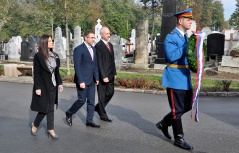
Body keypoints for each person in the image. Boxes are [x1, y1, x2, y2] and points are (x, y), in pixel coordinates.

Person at [155, 8, 194, 150]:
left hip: (185, 77)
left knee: (187, 106)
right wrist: (187, 46)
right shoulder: (171, 36)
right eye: (188, 19)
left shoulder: (185, 37)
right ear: (180, 20)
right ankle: (179, 138)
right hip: (175, 77)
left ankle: (164, 123)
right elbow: (171, 56)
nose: (191, 21)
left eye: (191, 19)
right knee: (177, 109)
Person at [30, 34, 63, 139]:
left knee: (51, 108)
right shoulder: (38, 56)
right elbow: (37, 73)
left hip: (53, 85)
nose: (52, 42)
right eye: (49, 41)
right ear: (44, 42)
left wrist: (60, 83)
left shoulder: (55, 55)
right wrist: (37, 88)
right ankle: (35, 124)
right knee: (44, 108)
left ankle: (50, 128)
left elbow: (56, 72)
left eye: (52, 40)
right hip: (43, 86)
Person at [65, 30, 100, 128]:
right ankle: (69, 113)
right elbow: (77, 66)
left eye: (94, 37)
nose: (93, 39)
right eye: (91, 37)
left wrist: (97, 77)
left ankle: (89, 121)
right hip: (83, 80)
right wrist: (80, 81)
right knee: (81, 100)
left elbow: (95, 65)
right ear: (85, 38)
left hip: (92, 80)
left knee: (91, 101)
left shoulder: (94, 49)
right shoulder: (79, 49)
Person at [94, 27, 116, 122]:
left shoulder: (110, 45)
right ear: (101, 35)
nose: (108, 35)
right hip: (103, 76)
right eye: (106, 33)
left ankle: (99, 107)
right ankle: (103, 114)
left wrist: (114, 72)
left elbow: (112, 61)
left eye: (109, 33)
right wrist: (103, 76)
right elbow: (98, 62)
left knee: (111, 92)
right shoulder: (98, 46)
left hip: (111, 74)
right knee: (102, 95)